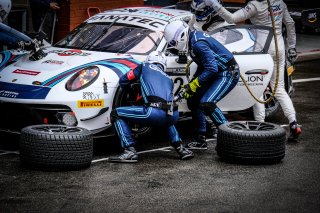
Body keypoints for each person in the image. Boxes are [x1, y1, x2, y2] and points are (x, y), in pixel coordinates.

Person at [204, 0, 301, 141]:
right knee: (279, 88)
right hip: (279, 48)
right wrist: (291, 46)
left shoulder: (256, 5)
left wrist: (214, 4)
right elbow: (290, 23)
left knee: (257, 89)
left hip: (263, 49)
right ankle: (294, 123)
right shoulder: (280, 2)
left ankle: (260, 125)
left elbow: (231, 19)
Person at [164, 20, 240, 150]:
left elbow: (211, 68)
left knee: (207, 103)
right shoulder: (192, 40)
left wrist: (194, 84)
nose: (174, 48)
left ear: (181, 37)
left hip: (227, 73)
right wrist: (192, 84)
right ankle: (200, 139)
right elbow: (204, 65)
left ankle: (231, 138)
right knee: (193, 100)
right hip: (216, 72)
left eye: (173, 44)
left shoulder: (198, 44)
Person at [108, 51, 194, 163]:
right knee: (167, 115)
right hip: (173, 115)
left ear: (149, 59)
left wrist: (132, 90)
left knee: (116, 113)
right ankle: (181, 149)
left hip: (153, 113)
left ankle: (129, 151)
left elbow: (123, 81)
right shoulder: (168, 78)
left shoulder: (144, 66)